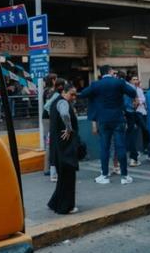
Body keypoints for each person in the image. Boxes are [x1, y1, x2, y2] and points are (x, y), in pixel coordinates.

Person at [77, 64, 137, 185]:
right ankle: (124, 176)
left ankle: (104, 175)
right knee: (120, 147)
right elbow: (132, 92)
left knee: (104, 147)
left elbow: (83, 94)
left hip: (103, 120)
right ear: (110, 71)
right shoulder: (118, 82)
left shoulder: (96, 84)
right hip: (118, 118)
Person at [47, 86, 81, 215]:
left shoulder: (54, 102)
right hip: (65, 148)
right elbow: (65, 114)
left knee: (63, 177)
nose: (74, 97)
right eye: (71, 94)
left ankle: (54, 202)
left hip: (58, 147)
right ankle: (66, 207)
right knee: (68, 177)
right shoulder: (62, 102)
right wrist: (68, 128)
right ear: (63, 92)